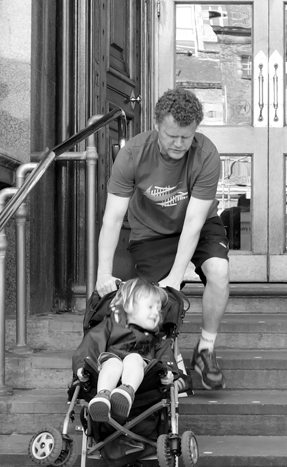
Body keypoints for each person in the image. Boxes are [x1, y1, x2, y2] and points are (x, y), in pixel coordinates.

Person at [95, 88, 230, 390]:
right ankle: (170, 363)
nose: (179, 144)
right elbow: (113, 218)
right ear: (157, 125)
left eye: (186, 136)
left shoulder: (206, 155)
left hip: (198, 224)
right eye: (172, 136)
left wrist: (176, 277)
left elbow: (194, 223)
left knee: (219, 271)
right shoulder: (133, 154)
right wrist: (103, 272)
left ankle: (205, 350)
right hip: (151, 231)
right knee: (154, 297)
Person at [70, 278, 169, 426]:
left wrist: (169, 371)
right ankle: (103, 397)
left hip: (144, 383)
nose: (156, 313)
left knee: (134, 359)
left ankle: (125, 392)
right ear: (128, 307)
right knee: (112, 362)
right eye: (150, 307)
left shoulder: (156, 338)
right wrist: (81, 367)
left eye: (159, 309)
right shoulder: (109, 326)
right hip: (107, 370)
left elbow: (165, 355)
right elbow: (89, 346)